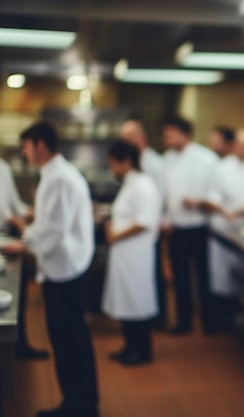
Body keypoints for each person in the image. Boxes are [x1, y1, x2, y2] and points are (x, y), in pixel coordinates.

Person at [1, 121, 99, 417]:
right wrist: (29, 234)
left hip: (64, 272)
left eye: (27, 146)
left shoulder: (58, 178)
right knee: (72, 341)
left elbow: (53, 232)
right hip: (66, 267)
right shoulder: (55, 174)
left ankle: (78, 406)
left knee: (69, 343)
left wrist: (24, 243)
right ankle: (80, 403)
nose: (24, 153)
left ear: (41, 144)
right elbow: (49, 223)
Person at [185, 129, 244, 331]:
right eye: (242, 146)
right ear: (235, 146)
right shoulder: (222, 168)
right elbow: (212, 198)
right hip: (224, 230)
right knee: (221, 280)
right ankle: (219, 322)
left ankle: (242, 320)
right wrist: (224, 210)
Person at [102, 140, 162, 366]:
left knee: (137, 300)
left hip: (136, 254)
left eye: (113, 164)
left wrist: (116, 235)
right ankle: (129, 345)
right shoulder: (131, 182)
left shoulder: (143, 184)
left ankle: (142, 349)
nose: (112, 170)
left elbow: (145, 221)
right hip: (124, 254)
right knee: (126, 300)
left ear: (126, 161)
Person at [162, 116, 218, 335]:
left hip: (198, 224)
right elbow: (166, 194)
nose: (166, 138)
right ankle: (183, 322)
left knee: (203, 276)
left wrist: (199, 200)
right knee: (180, 277)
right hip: (176, 226)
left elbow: (215, 190)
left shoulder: (205, 158)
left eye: (170, 134)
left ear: (184, 135)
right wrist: (166, 218)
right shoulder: (166, 159)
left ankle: (209, 322)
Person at [119, 117, 168, 329]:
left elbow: (162, 195)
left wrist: (162, 220)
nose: (125, 141)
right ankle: (144, 317)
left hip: (149, 226)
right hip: (137, 226)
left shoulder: (154, 162)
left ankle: (157, 318)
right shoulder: (131, 161)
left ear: (141, 137)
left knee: (153, 274)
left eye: (128, 136)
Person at [0, 157, 50, 360]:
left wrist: (38, 214)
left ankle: (20, 345)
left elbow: (14, 205)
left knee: (17, 295)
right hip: (9, 233)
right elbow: (6, 211)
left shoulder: (3, 166)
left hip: (5, 236)